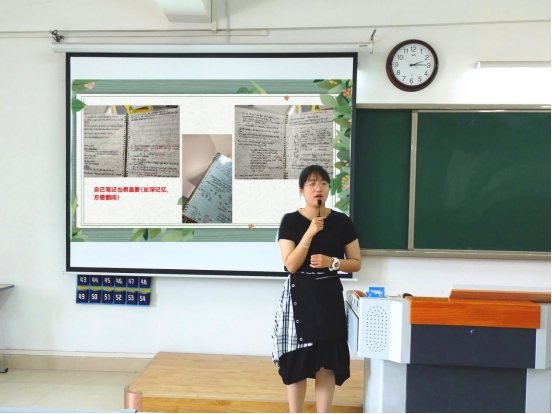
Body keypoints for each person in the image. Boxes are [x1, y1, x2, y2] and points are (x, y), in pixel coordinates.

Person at [271, 164, 362, 413]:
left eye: (323, 183)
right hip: (298, 297)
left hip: (328, 296)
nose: (317, 188)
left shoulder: (341, 221)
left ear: (328, 189)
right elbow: (291, 265)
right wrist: (309, 233)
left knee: (326, 362)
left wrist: (332, 262)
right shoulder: (290, 221)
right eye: (311, 184)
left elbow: (356, 262)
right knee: (297, 362)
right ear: (302, 190)